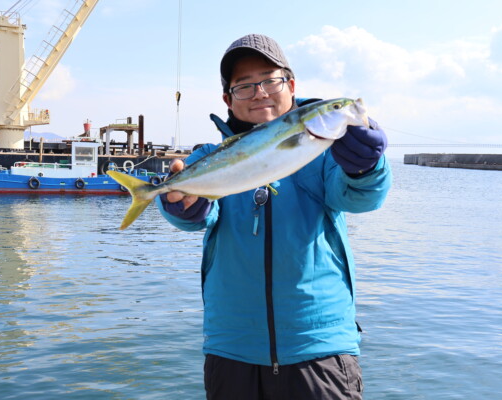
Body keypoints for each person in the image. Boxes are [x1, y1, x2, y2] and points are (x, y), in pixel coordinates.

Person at [156, 34, 392, 399]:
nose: (260, 92)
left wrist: (367, 168)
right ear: (228, 100)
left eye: (270, 80)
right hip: (232, 348)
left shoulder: (326, 151)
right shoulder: (208, 155)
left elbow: (361, 198)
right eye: (245, 86)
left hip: (319, 347)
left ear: (291, 85)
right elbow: (194, 217)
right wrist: (179, 204)